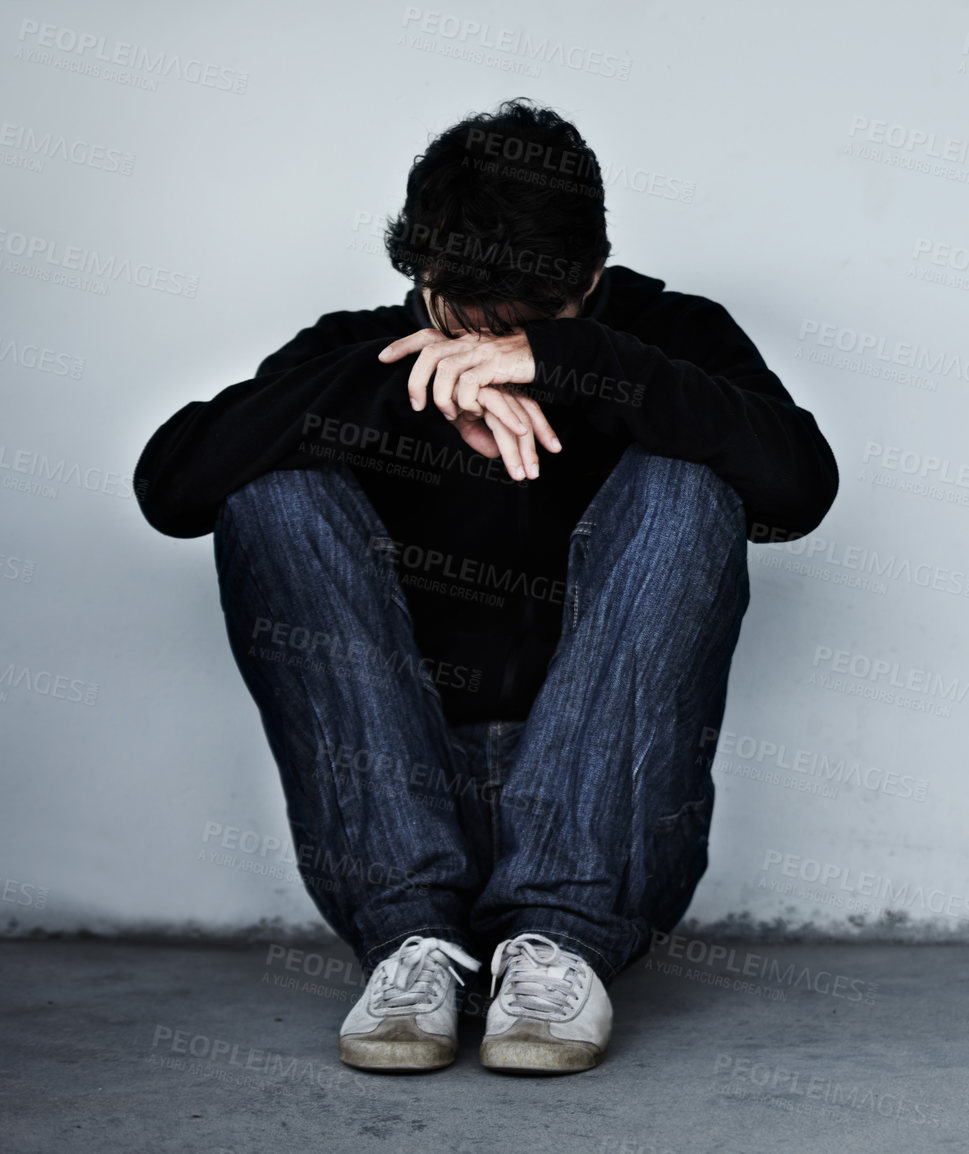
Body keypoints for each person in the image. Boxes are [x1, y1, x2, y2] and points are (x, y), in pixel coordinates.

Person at [133, 98, 839, 1075]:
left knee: (687, 485)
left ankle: (557, 935)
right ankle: (414, 942)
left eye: (525, 328)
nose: (487, 351)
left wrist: (571, 365)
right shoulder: (366, 350)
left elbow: (801, 485)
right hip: (397, 818)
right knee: (275, 495)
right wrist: (394, 383)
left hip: (615, 823)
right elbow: (172, 487)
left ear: (590, 280)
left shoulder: (667, 336)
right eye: (464, 321)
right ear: (422, 280)